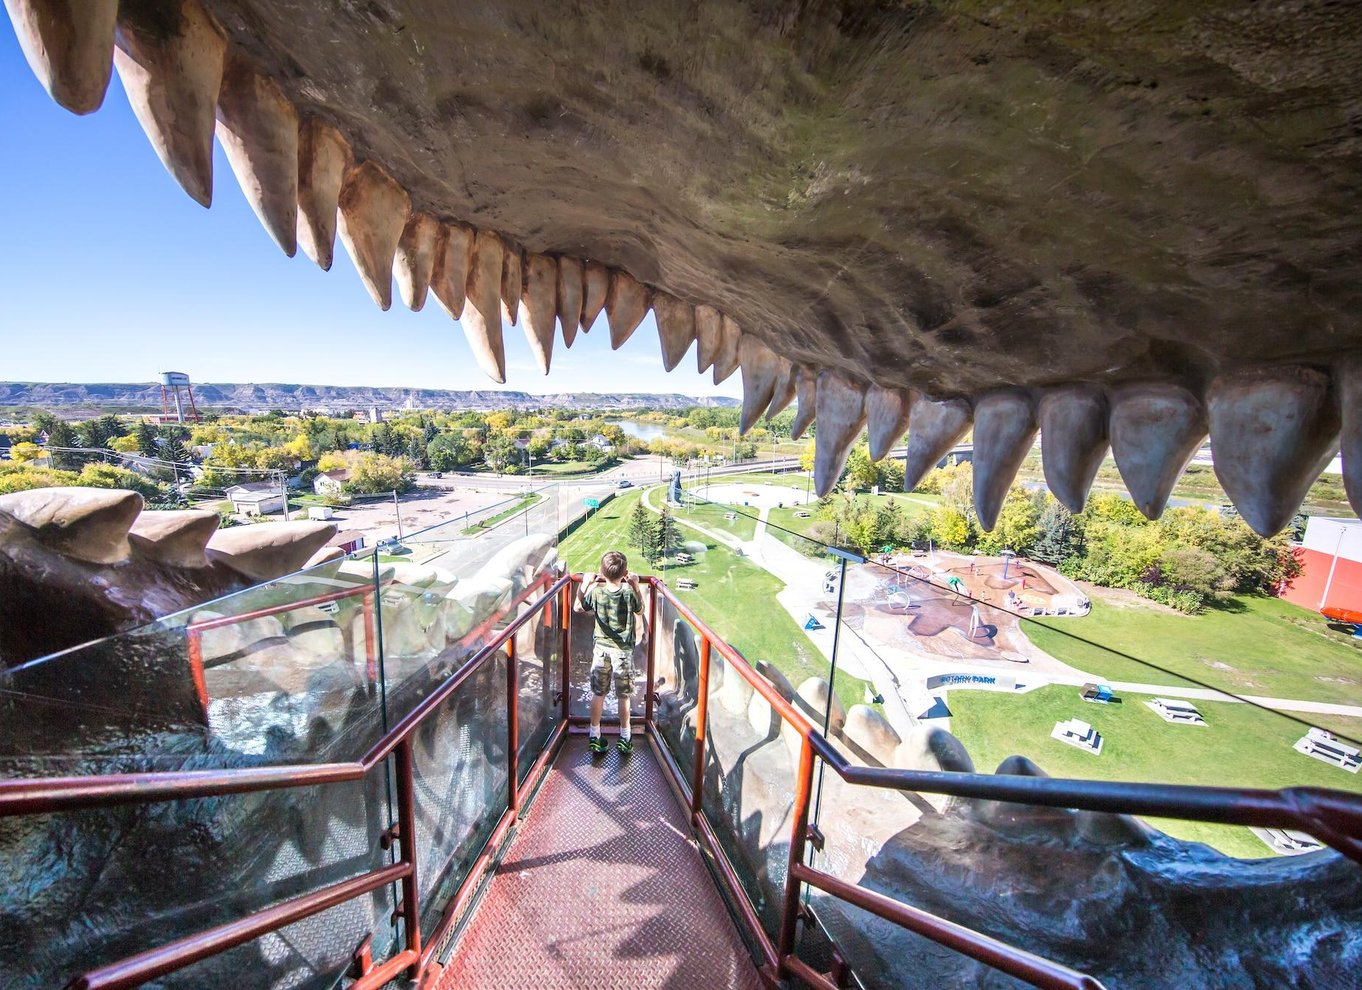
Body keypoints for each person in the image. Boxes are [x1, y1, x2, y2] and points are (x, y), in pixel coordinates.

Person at [574, 550, 646, 755]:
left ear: (600, 572)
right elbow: (640, 610)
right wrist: (634, 584)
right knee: (624, 696)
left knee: (598, 693)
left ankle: (594, 736)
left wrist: (585, 583)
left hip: (601, 651)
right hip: (623, 652)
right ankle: (625, 737)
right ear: (625, 573)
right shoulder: (628, 593)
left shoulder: (596, 593)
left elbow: (577, 607)